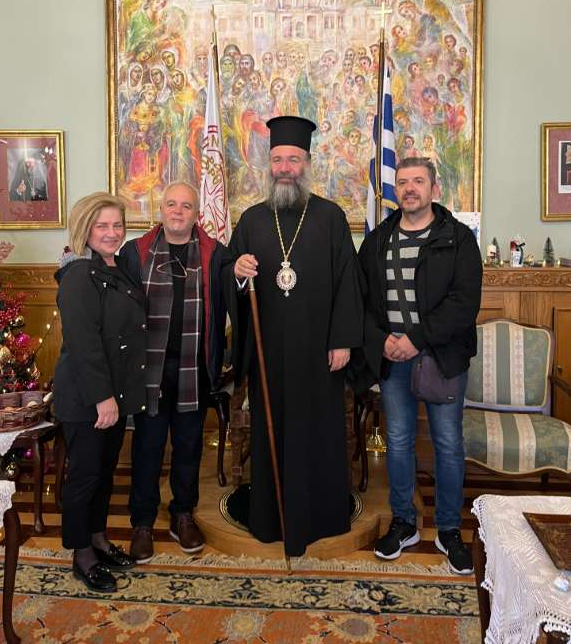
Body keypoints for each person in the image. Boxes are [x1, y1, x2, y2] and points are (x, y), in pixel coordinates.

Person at [226, 116, 363, 557]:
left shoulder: (330, 216)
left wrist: (342, 340)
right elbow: (230, 275)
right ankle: (271, 517)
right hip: (269, 352)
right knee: (273, 431)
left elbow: (348, 283)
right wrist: (237, 272)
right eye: (278, 160)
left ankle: (319, 516)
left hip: (319, 352)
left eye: (294, 159)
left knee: (317, 432)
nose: (285, 168)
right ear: (269, 165)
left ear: (307, 163)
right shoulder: (252, 219)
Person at [356, 157, 482, 574]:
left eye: (418, 181)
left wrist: (416, 339)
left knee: (447, 444)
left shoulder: (458, 239)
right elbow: (362, 299)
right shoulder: (377, 241)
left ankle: (449, 530)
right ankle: (404, 523)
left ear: (433, 189)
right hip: (393, 359)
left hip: (442, 358)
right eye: (403, 182)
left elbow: (464, 303)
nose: (409, 188)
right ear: (396, 190)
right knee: (398, 440)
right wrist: (382, 340)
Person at [119, 181, 228, 563]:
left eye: (186, 205)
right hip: (148, 369)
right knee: (147, 447)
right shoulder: (135, 252)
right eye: (171, 204)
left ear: (197, 213)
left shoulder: (215, 254)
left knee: (188, 446)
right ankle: (142, 522)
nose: (178, 211)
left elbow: (234, 298)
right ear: (161, 209)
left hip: (193, 367)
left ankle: (183, 514)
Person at [53, 192, 146, 592]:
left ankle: (98, 539)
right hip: (87, 399)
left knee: (104, 474)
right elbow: (84, 344)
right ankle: (82, 555)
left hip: (113, 395)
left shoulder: (116, 267)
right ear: (85, 229)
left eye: (117, 225)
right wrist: (102, 398)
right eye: (102, 226)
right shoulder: (78, 275)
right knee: (85, 477)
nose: (112, 233)